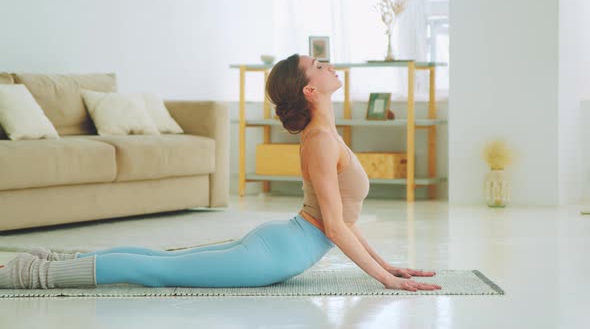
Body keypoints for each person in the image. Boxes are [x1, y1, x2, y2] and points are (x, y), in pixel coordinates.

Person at [0, 54, 441, 292]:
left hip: (282, 245)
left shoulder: (325, 132)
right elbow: (334, 225)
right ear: (310, 89)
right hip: (274, 254)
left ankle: (55, 261)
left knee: (166, 262)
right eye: (318, 65)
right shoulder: (321, 139)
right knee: (160, 271)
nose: (327, 65)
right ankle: (30, 275)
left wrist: (389, 267)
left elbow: (343, 219)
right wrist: (383, 278)